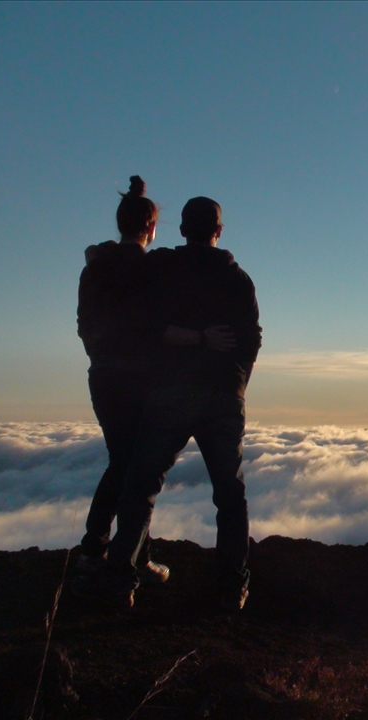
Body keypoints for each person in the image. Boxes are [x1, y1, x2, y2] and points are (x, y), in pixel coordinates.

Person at [104, 195, 262, 611]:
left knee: (141, 485)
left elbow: (139, 319)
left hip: (169, 392)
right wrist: (236, 383)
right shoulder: (238, 279)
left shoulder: (162, 268)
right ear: (219, 231)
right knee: (230, 494)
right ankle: (231, 588)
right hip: (223, 397)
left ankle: (121, 581)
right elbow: (252, 340)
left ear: (180, 230)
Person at [76, 177, 234, 587]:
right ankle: (120, 558)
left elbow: (86, 323)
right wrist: (199, 338)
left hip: (101, 376)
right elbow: (150, 327)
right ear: (151, 228)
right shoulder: (149, 269)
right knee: (135, 472)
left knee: (123, 462)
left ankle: (102, 549)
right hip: (140, 379)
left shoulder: (94, 267)